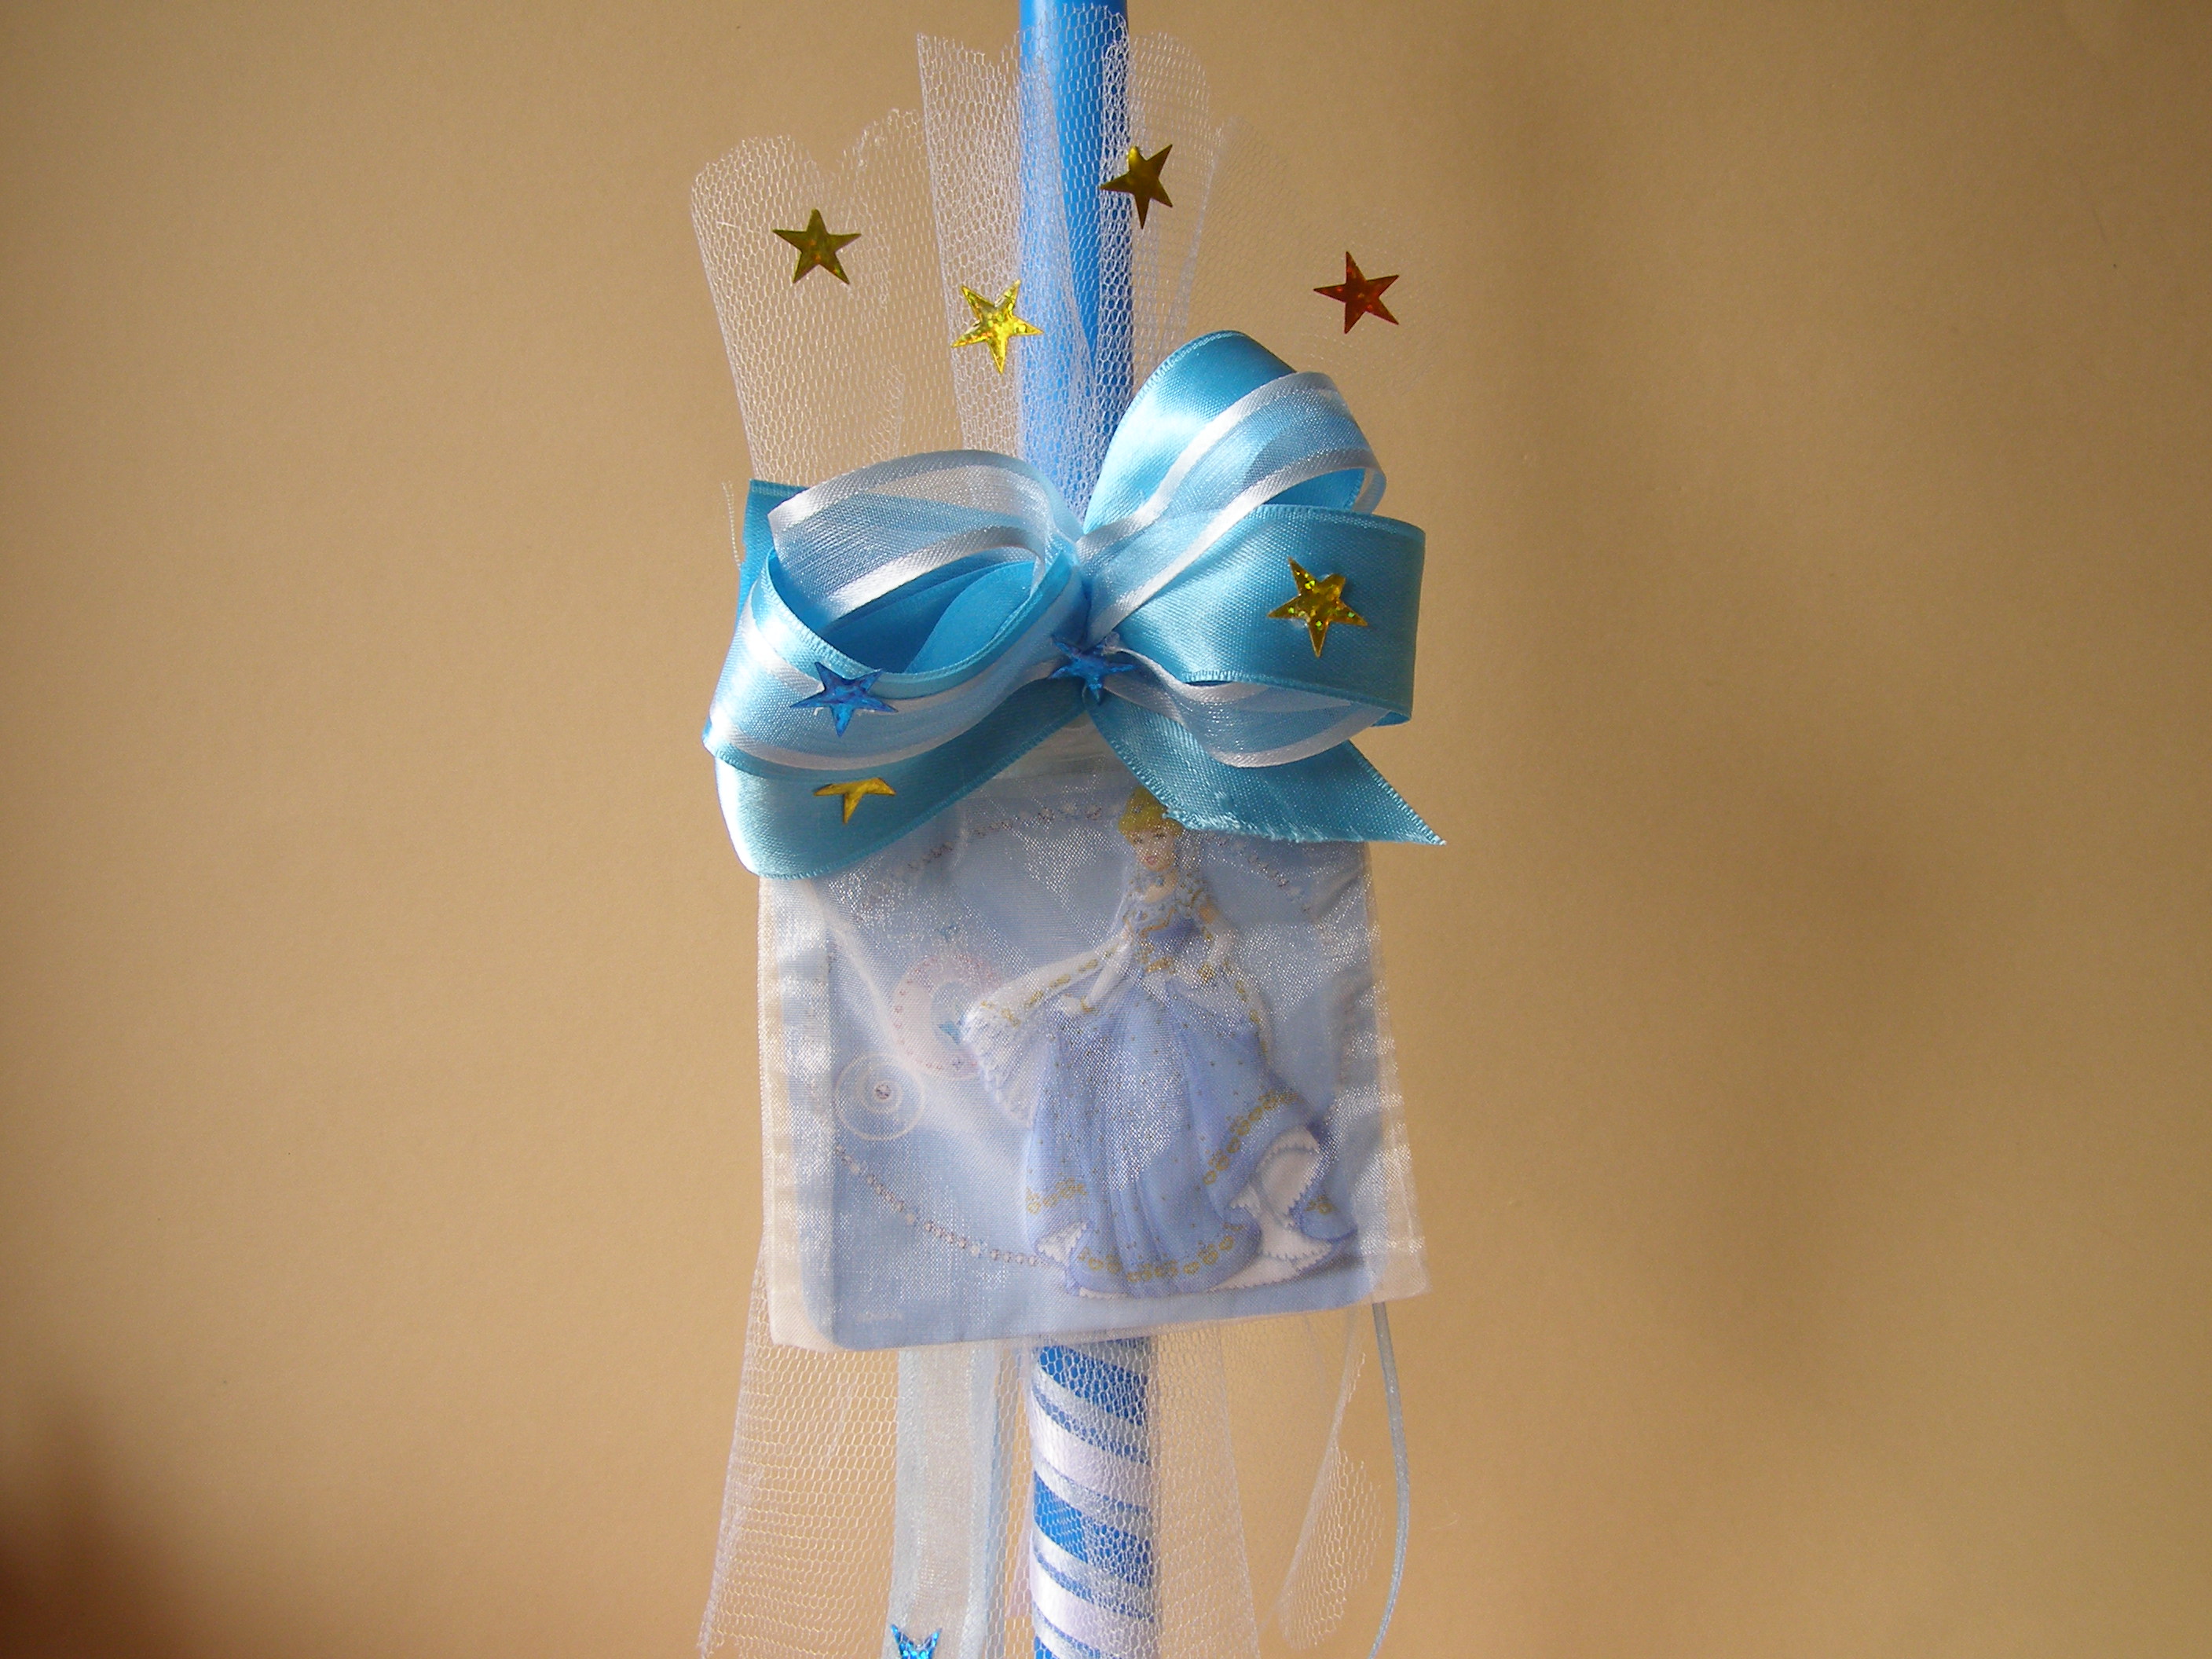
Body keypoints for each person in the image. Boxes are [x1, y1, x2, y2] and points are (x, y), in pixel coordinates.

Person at [960, 786, 1350, 1298]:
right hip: (1130, 1003)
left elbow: (1224, 936)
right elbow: (1120, 956)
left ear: (1175, 838)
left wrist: (1201, 972)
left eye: (1158, 837)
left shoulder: (1187, 891)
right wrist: (1089, 1002)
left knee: (1186, 1100)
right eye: (1140, 840)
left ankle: (1198, 1214)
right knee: (1118, 1104)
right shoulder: (1136, 894)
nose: (1148, 849)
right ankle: (1135, 1234)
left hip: (1171, 1002)